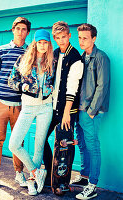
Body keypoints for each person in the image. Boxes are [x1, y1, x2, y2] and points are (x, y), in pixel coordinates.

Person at [0, 17, 31, 189]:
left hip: (20, 105)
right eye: (17, 28)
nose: (20, 32)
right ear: (13, 30)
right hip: (0, 103)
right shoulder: (0, 50)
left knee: (19, 142)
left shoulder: (30, 53)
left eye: (24, 29)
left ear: (27, 32)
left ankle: (19, 174)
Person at [8, 29, 54, 196]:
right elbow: (11, 80)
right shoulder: (24, 59)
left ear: (48, 44)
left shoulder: (52, 61)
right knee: (13, 143)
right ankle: (36, 171)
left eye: (45, 42)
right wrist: (23, 86)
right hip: (28, 106)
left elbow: (57, 82)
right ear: (35, 43)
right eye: (39, 42)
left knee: (39, 146)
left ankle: (32, 182)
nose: (42, 45)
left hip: (46, 107)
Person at [70, 23, 110, 200]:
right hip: (79, 109)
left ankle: (93, 185)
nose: (81, 41)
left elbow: (102, 86)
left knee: (93, 147)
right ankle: (85, 176)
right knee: (83, 144)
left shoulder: (101, 57)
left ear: (94, 38)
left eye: (85, 38)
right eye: (79, 38)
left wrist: (91, 111)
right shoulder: (81, 57)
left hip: (90, 111)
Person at [43, 21, 83, 186]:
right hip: (52, 109)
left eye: (64, 37)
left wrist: (67, 112)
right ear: (54, 38)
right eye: (58, 38)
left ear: (69, 35)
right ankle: (49, 175)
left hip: (67, 111)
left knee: (65, 146)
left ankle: (62, 183)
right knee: (42, 139)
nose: (61, 41)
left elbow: (72, 88)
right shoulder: (55, 53)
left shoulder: (76, 58)